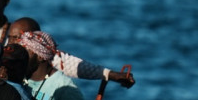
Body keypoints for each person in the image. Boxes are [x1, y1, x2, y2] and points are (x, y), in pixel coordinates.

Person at [7, 17, 135, 87]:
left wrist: (110, 75)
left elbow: (69, 64)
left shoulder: (46, 59)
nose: (11, 43)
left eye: (17, 38)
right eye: (10, 37)